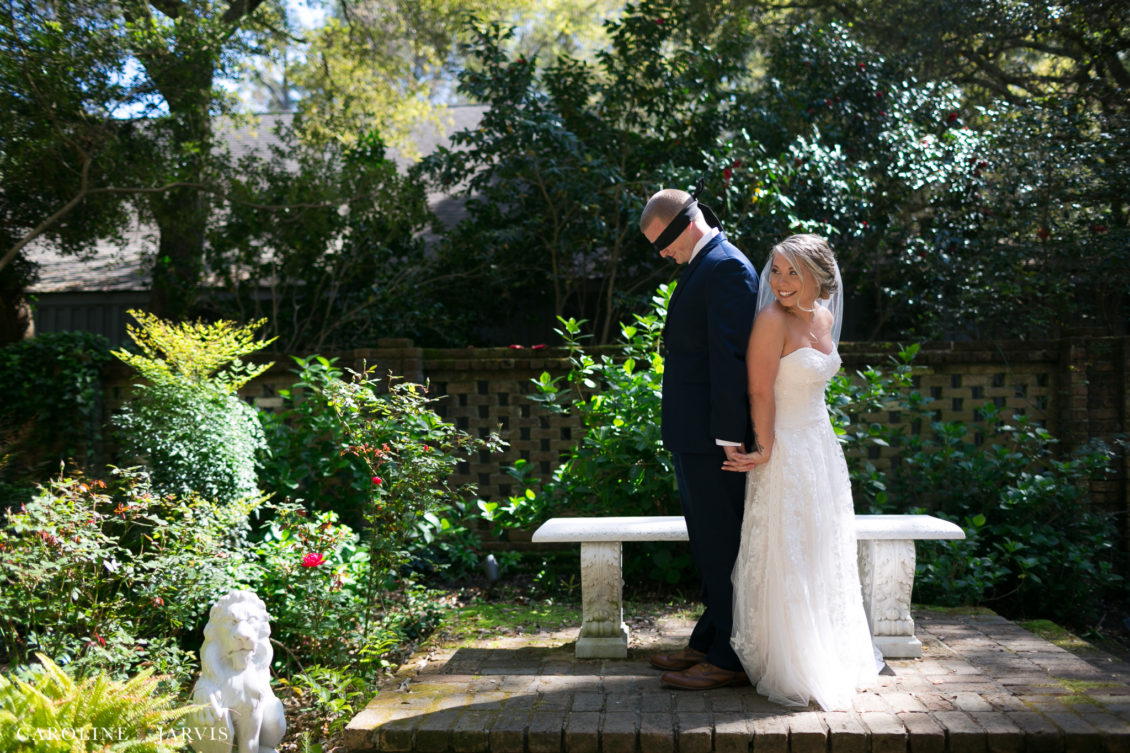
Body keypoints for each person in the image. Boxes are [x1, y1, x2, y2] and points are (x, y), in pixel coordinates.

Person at [723, 233, 881, 711]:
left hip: (821, 448)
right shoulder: (771, 320)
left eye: (793, 272)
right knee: (788, 549)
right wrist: (765, 447)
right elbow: (759, 390)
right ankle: (792, 660)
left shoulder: (824, 318)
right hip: (784, 448)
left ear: (818, 276)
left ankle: (829, 649)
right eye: (776, 270)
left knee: (821, 548)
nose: (781, 281)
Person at [639, 187, 760, 690]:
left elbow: (731, 360)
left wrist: (729, 435)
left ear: (686, 225)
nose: (662, 254)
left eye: (663, 243)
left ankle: (731, 656)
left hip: (716, 438)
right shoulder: (703, 263)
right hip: (693, 433)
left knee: (722, 544)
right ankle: (709, 639)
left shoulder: (726, 267)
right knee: (708, 543)